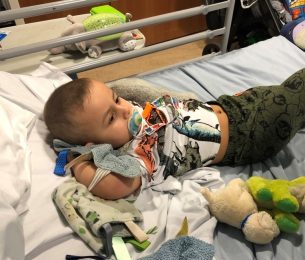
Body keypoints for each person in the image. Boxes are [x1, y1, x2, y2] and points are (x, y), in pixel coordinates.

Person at [44, 68, 305, 200]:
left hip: (233, 105)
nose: (124, 110)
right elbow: (113, 185)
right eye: (110, 118)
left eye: (117, 100)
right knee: (297, 92)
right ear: (96, 144)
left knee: (293, 91)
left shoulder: (128, 112)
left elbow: (132, 89)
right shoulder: (138, 156)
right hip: (250, 134)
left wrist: (110, 95)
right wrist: (80, 163)